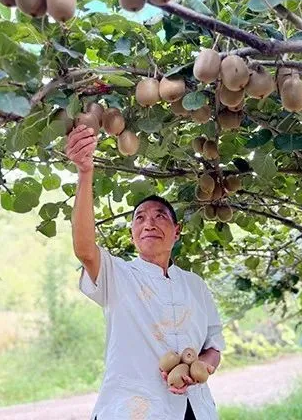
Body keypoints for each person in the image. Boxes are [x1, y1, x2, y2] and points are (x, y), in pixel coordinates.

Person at [65, 124, 226, 420]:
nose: (149, 223)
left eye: (160, 216)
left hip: (195, 409)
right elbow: (85, 249)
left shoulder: (195, 285)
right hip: (132, 410)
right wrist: (85, 173)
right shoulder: (118, 276)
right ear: (132, 234)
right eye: (140, 218)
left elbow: (214, 344)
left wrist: (200, 367)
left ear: (176, 232)